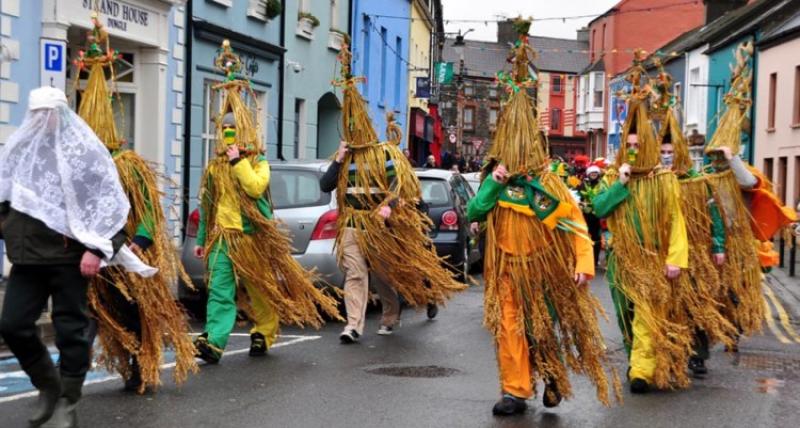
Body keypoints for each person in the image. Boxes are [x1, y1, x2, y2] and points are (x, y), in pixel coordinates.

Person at [467, 20, 619, 416]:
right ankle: (515, 390)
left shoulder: (551, 186)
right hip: (506, 271)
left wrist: (585, 265)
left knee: (539, 331)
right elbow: (474, 212)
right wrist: (494, 183)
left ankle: (551, 377)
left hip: (542, 271)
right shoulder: (495, 182)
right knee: (509, 330)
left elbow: (576, 229)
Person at [0, 86, 153, 428]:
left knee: (72, 331)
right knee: (12, 324)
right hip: (26, 258)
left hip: (68, 259)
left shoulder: (84, 154)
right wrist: (7, 225)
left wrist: (97, 249)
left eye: (48, 114)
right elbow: (4, 196)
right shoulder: (20, 151)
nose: (42, 120)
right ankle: (48, 387)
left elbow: (113, 209)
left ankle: (68, 401)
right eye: (37, 114)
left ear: (61, 115)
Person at [192, 41, 340, 364]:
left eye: (234, 129)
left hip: (251, 237)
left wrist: (238, 162)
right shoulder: (215, 166)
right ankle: (214, 343)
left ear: (243, 132)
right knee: (219, 291)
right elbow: (207, 204)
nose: (229, 133)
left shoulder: (258, 163)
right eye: (225, 129)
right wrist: (202, 239)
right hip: (222, 240)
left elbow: (256, 188)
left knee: (258, 288)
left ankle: (264, 330)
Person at [75, 13, 197, 393]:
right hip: (93, 256)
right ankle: (125, 360)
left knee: (133, 309)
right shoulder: (78, 171)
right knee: (104, 311)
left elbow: (147, 211)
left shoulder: (127, 166)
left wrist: (140, 243)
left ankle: (143, 361)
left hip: (125, 250)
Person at [321, 40, 464, 344]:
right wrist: (337, 159)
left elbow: (397, 185)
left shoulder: (382, 154)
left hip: (378, 225)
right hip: (351, 225)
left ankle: (390, 313)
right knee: (356, 275)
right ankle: (354, 326)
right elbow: (325, 185)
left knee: (385, 274)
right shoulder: (344, 157)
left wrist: (389, 204)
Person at [592, 49, 690, 394]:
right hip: (623, 260)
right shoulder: (613, 178)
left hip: (651, 260)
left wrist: (675, 259)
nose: (633, 151)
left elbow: (676, 221)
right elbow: (599, 209)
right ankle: (637, 355)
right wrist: (619, 184)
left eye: (638, 145)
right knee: (625, 315)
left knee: (648, 316)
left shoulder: (663, 180)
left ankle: (641, 372)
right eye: (628, 146)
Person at [701, 42, 796, 342]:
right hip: (713, 244)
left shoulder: (745, 174)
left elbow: (747, 183)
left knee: (736, 290)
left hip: (739, 242)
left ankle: (733, 325)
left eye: (720, 158)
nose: (717, 162)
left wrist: (733, 158)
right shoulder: (707, 179)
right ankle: (714, 333)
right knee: (710, 294)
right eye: (715, 158)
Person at [654, 64, 737, 378]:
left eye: (670, 150)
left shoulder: (697, 181)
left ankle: (698, 354)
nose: (665, 155)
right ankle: (670, 348)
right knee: (670, 305)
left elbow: (714, 216)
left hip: (697, 253)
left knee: (697, 303)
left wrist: (718, 246)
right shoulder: (655, 181)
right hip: (666, 253)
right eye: (661, 151)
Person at [578, 164, 604, 267]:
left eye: (595, 174)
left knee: (596, 238)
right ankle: (585, 259)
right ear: (588, 174)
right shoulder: (583, 184)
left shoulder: (602, 185)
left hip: (597, 215)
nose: (593, 175)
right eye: (592, 174)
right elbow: (578, 196)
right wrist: (581, 202)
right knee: (584, 237)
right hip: (585, 215)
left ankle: (595, 259)